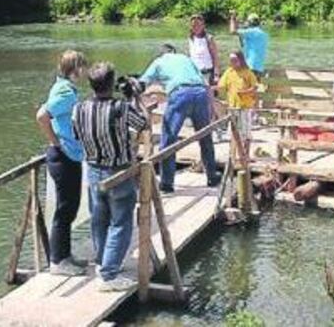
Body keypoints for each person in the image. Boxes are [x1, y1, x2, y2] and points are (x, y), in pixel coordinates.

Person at [72, 62, 148, 291]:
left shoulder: (80, 108)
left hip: (94, 170)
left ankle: (104, 263)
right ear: (111, 83)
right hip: (119, 172)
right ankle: (109, 274)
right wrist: (137, 97)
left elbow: (77, 135)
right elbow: (143, 123)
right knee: (121, 223)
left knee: (99, 220)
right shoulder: (120, 107)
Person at [140, 44, 221, 193]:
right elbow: (205, 83)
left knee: (168, 140)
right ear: (174, 52)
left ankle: (166, 182)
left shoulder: (159, 61)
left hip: (180, 94)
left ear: (161, 54)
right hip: (200, 93)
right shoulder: (186, 59)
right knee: (205, 136)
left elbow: (142, 82)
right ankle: (212, 176)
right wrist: (212, 108)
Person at [35, 50, 88, 276]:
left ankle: (65, 255)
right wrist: (55, 142)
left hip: (70, 154)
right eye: (83, 66)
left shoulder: (66, 88)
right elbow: (41, 115)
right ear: (75, 68)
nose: (85, 71)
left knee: (70, 206)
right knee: (65, 209)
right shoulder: (65, 92)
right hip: (63, 155)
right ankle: (57, 261)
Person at [217, 50, 258, 158]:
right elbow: (221, 85)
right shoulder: (229, 72)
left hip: (245, 106)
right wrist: (211, 88)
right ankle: (233, 154)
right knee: (233, 132)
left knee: (246, 131)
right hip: (233, 105)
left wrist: (245, 92)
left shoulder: (248, 73)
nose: (233, 62)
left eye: (235, 60)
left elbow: (254, 88)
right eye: (231, 60)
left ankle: (246, 155)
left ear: (240, 60)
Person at [229, 11, 269, 81]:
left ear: (250, 22)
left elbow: (232, 31)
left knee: (245, 90)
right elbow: (243, 44)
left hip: (250, 66)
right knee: (253, 90)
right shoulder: (263, 34)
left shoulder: (252, 32)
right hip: (259, 68)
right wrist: (236, 23)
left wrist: (232, 18)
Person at [188, 14, 221, 86]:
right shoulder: (191, 38)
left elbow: (215, 57)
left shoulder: (208, 38)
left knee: (210, 95)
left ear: (203, 25)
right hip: (195, 74)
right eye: (193, 25)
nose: (196, 27)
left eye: (198, 25)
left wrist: (216, 75)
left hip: (207, 73)